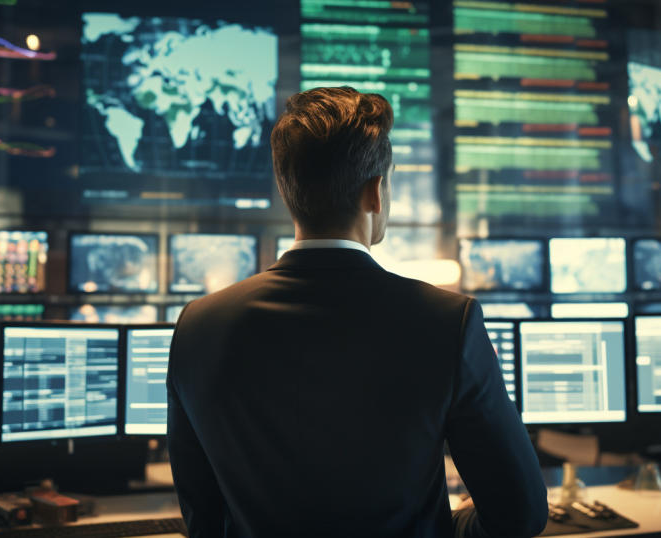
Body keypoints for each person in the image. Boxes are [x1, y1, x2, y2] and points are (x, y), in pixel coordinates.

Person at [167, 87, 548, 537]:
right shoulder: (448, 321)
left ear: (288, 190)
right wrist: (454, 523)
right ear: (376, 193)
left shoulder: (198, 325)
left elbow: (203, 517)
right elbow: (520, 515)